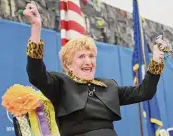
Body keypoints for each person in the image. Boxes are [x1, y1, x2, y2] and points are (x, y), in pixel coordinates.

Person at [24, 2, 167, 136]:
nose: (88, 61)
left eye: (91, 56)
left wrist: (156, 60)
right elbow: (36, 74)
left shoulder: (109, 86)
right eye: (81, 56)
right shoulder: (60, 84)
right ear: (68, 65)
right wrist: (36, 28)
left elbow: (145, 92)